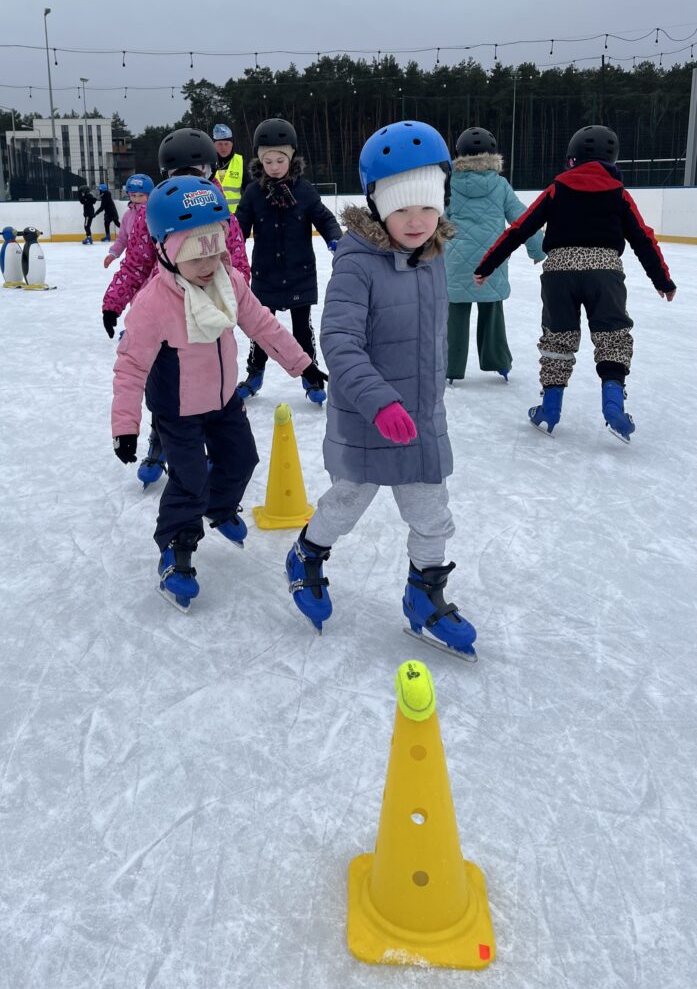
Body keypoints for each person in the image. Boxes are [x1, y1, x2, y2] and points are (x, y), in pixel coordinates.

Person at [283, 120, 477, 661]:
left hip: (422, 417)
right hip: (370, 416)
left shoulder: (434, 257)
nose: (416, 221)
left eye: (427, 205)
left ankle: (424, 596)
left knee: (432, 513)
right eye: (401, 208)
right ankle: (307, 554)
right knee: (346, 502)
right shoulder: (356, 264)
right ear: (375, 205)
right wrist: (380, 401)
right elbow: (339, 342)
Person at [111, 176, 326, 612]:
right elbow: (131, 367)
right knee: (189, 480)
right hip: (178, 409)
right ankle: (176, 549)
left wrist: (302, 364)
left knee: (243, 459)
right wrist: (126, 428)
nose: (209, 263)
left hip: (225, 400)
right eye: (196, 255)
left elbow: (262, 324)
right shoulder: (153, 303)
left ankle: (221, 507)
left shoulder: (227, 282)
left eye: (215, 249)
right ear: (166, 252)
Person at [474, 124, 676, 441]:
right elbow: (643, 238)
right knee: (613, 337)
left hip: (559, 274)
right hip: (605, 273)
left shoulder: (556, 189)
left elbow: (520, 229)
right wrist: (662, 280)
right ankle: (613, 408)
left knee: (558, 339)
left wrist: (487, 265)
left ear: (572, 160)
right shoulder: (620, 195)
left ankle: (550, 410)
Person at [102, 128, 251, 488]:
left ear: (209, 171)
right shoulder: (157, 211)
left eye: (196, 171)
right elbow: (136, 263)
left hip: (206, 314)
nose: (187, 181)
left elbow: (237, 264)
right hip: (164, 315)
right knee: (165, 385)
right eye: (178, 174)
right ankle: (160, 440)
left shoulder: (219, 214)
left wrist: (236, 300)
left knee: (207, 385)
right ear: (166, 176)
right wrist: (113, 303)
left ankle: (215, 453)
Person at [234, 118, 341, 405]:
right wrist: (229, 251)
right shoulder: (254, 193)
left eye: (280, 160)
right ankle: (254, 374)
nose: (274, 166)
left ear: (291, 157)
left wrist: (335, 239)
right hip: (265, 274)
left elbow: (324, 217)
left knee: (301, 330)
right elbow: (239, 226)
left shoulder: (303, 190)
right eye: (267, 161)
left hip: (299, 273)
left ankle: (312, 376)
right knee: (261, 330)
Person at [445, 127, 544, 383]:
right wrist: (537, 246)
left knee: (455, 314)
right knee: (491, 310)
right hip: (492, 260)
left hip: (455, 261)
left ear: (459, 153)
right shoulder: (500, 184)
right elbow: (523, 218)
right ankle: (499, 363)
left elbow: (437, 220)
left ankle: (449, 367)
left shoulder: (449, 183)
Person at [103, 173, 154, 269]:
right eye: (133, 195)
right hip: (134, 262)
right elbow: (122, 238)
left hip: (153, 262)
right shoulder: (128, 215)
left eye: (141, 195)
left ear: (149, 195)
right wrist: (113, 253)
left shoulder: (152, 213)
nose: (137, 199)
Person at [212, 123, 245, 208]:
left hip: (237, 216)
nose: (223, 148)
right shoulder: (209, 164)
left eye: (226, 144)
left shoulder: (240, 162)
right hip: (216, 217)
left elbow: (250, 191)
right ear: (214, 145)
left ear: (232, 144)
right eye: (220, 144)